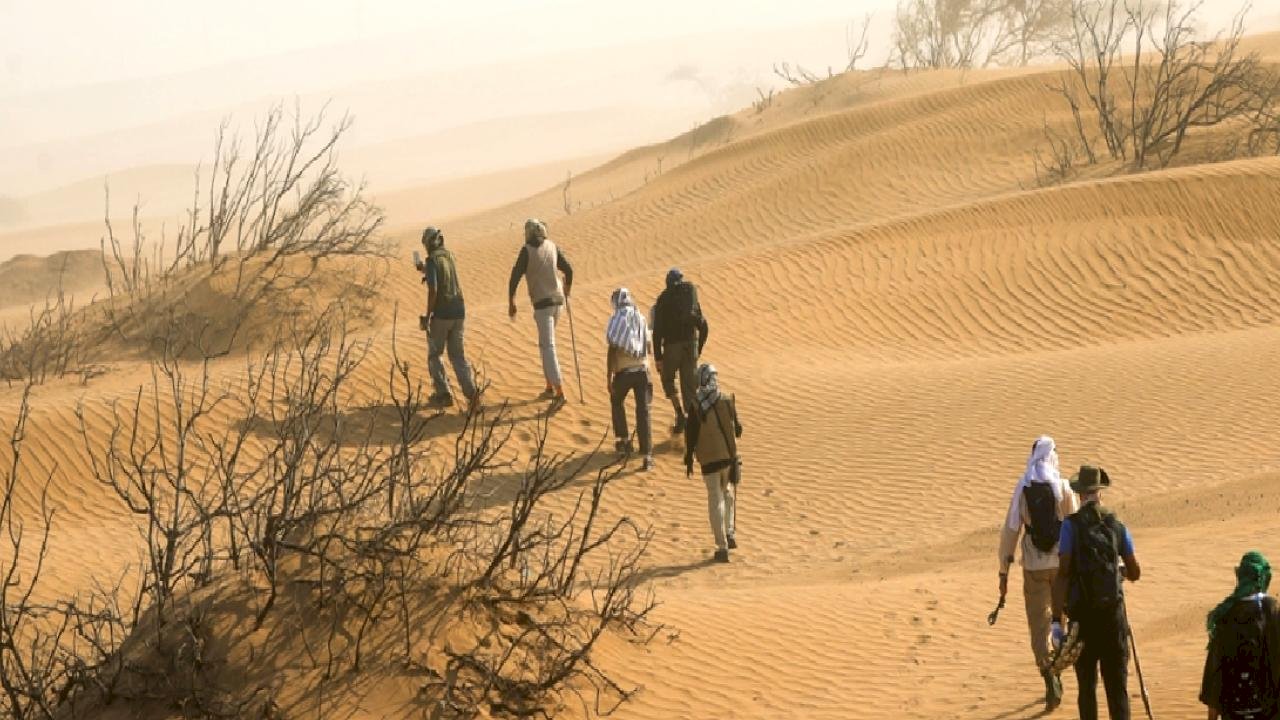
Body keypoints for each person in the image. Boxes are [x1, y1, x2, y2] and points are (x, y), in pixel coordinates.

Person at [998, 436, 1079, 712]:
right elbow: (1075, 523)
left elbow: (1011, 529)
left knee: (1038, 625)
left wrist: (1003, 570)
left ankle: (1049, 675)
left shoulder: (1023, 487)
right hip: (1061, 566)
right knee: (1060, 620)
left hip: (1033, 566)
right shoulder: (1063, 487)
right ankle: (1059, 665)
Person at [1054, 465, 1141, 720]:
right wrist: (1119, 572)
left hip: (1083, 618)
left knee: (1087, 688)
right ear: (1100, 492)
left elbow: (1063, 572)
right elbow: (1136, 572)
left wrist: (1056, 620)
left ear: (1080, 494)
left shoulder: (1070, 526)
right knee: (1117, 689)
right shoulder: (1117, 525)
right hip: (1113, 616)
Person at [1201, 551, 1280, 720]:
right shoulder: (1272, 611)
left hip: (1233, 711)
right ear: (1264, 578)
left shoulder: (1225, 614)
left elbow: (1215, 673)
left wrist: (1212, 716)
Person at [508, 219, 574, 404]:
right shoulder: (552, 246)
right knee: (545, 345)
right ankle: (549, 386)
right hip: (558, 302)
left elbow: (514, 277)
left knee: (548, 346)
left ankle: (559, 390)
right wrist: (567, 288)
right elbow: (569, 270)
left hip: (543, 305)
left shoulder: (526, 250)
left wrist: (511, 302)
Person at [683, 364, 741, 563]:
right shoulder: (725, 399)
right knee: (727, 493)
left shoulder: (696, 405)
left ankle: (722, 546)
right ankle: (730, 533)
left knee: (715, 499)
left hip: (708, 461)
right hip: (727, 457)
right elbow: (738, 428)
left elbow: (690, 436)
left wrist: (689, 458)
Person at [416, 226, 477, 408]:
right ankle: (472, 395)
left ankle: (443, 394)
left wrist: (428, 316)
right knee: (458, 356)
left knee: (435, 354)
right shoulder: (449, 256)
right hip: (459, 311)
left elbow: (434, 289)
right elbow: (444, 275)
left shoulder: (432, 260)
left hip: (442, 314)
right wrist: (425, 270)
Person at [652, 268, 708, 433]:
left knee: (667, 380)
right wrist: (699, 348)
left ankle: (679, 413)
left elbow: (657, 331)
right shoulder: (690, 296)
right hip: (691, 346)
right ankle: (694, 430)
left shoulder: (662, 299)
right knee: (690, 389)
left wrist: (658, 357)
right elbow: (703, 325)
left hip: (671, 348)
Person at [605, 288, 654, 471]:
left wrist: (608, 377)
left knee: (616, 401)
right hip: (643, 372)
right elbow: (648, 347)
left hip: (623, 373)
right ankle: (647, 456)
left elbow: (612, 349)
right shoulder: (640, 318)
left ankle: (624, 441)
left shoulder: (616, 320)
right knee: (644, 412)